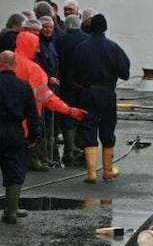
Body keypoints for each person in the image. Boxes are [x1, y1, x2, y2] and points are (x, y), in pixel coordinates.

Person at [12, 32, 86, 171]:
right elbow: (47, 98)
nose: (38, 50)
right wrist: (69, 110)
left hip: (6, 122)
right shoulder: (34, 70)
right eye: (36, 46)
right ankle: (33, 161)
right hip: (26, 124)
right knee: (16, 173)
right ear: (30, 46)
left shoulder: (6, 62)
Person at [72, 14, 130, 183]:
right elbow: (124, 72)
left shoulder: (81, 47)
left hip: (87, 92)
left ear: (90, 28)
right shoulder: (114, 48)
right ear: (105, 27)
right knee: (107, 128)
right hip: (106, 92)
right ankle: (107, 170)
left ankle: (91, 173)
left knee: (88, 127)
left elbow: (74, 73)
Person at [0, 51, 41, 224]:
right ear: (14, 65)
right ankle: (11, 211)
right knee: (14, 169)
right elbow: (33, 114)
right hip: (14, 130)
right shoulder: (23, 86)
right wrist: (33, 136)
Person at [55, 14, 90, 166]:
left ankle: (69, 149)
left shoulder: (60, 39)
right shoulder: (86, 38)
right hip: (82, 83)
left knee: (67, 114)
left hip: (65, 83)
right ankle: (80, 146)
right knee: (81, 113)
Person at [36, 16, 62, 167]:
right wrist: (48, 78)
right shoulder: (38, 45)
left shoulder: (51, 45)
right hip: (42, 88)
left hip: (51, 89)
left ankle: (47, 155)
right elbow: (37, 66)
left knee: (49, 123)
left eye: (51, 27)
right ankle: (40, 156)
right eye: (45, 27)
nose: (48, 30)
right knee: (43, 122)